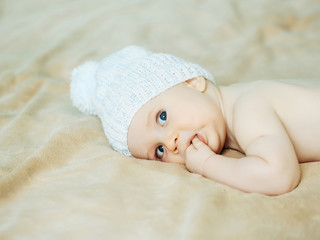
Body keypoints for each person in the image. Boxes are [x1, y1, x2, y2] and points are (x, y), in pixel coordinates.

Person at [70, 45, 320, 195]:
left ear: (192, 82)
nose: (171, 143)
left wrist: (208, 165)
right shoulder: (235, 108)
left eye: (162, 117)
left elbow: (278, 175)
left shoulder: (248, 107)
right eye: (158, 151)